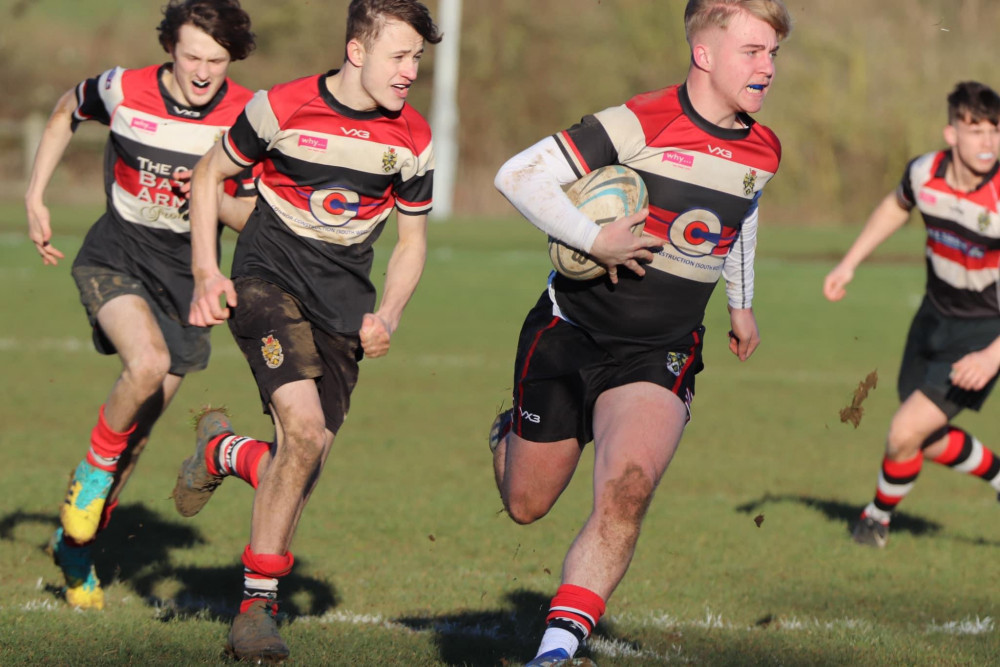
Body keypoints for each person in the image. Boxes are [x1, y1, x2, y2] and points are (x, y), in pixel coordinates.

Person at [491, 1, 792, 664]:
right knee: (525, 503)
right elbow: (518, 174)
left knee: (627, 486)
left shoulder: (762, 148)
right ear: (705, 53)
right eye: (753, 51)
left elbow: (739, 216)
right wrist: (593, 237)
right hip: (568, 332)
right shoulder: (636, 122)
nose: (768, 67)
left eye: (773, 53)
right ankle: (507, 430)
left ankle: (554, 652)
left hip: (662, 348)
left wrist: (740, 303)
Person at [170, 0, 441, 660]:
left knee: (302, 463)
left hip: (344, 304)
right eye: (399, 56)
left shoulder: (414, 137)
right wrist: (209, 271)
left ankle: (224, 452)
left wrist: (390, 315)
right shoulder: (281, 106)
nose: (410, 72)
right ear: (357, 51)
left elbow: (412, 241)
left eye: (417, 60)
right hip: (265, 277)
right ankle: (254, 614)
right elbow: (211, 172)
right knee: (305, 431)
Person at [23, 0, 257, 611]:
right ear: (169, 50)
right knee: (147, 364)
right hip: (115, 257)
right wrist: (35, 195)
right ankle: (89, 480)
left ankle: (76, 553)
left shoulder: (248, 116)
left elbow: (254, 216)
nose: (203, 72)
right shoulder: (121, 88)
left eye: (216, 60)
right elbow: (63, 111)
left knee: (138, 434)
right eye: (191, 57)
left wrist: (209, 192)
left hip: (188, 283)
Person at [824, 81, 1000, 549]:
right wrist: (850, 261)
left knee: (904, 431)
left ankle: (875, 520)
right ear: (951, 133)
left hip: (985, 331)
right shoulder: (925, 173)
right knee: (922, 431)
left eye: (995, 131)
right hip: (932, 318)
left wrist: (992, 356)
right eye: (975, 129)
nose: (987, 141)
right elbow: (895, 207)